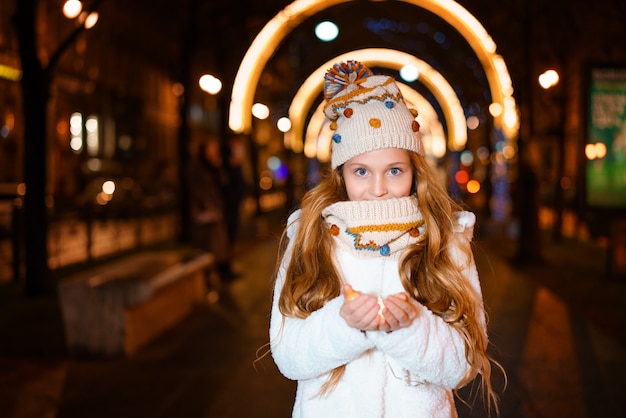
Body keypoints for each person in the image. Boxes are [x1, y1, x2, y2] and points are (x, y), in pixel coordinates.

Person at [269, 61, 501, 417]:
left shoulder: (446, 239)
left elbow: (464, 367)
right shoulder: (310, 237)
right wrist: (343, 323)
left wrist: (411, 326)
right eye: (361, 171)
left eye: (394, 171)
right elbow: (288, 357)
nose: (378, 189)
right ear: (341, 172)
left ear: (414, 170)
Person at [188, 139, 236, 282]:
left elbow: (224, 182)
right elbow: (196, 189)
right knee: (207, 247)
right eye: (211, 149)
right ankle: (209, 278)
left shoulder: (214, 167)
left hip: (216, 211)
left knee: (220, 245)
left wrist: (218, 166)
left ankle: (222, 272)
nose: (213, 152)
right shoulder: (197, 168)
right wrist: (205, 204)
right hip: (205, 211)